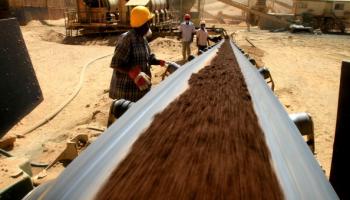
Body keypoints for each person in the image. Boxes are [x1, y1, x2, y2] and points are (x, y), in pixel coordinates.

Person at [109, 6, 165, 102]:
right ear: (142, 24)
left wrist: (158, 61)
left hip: (140, 91)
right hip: (127, 93)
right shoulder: (127, 39)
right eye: (148, 23)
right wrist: (131, 71)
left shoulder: (143, 38)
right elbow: (116, 63)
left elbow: (148, 57)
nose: (149, 25)